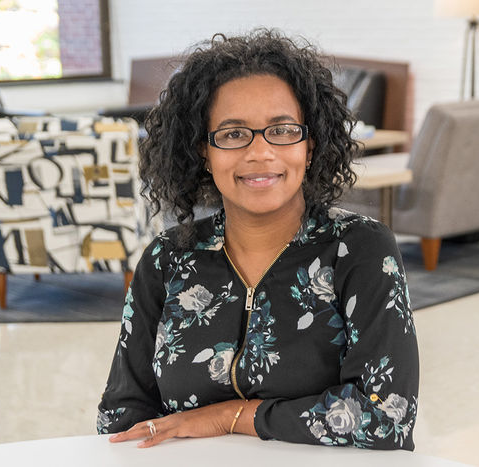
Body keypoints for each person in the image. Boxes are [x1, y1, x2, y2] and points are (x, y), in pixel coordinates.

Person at [97, 29, 419, 451]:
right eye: (233, 134)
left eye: (282, 130)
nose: (260, 152)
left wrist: (228, 417)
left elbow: (385, 416)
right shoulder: (168, 258)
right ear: (203, 152)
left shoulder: (359, 249)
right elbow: (123, 414)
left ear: (310, 144)